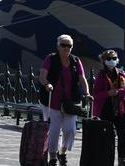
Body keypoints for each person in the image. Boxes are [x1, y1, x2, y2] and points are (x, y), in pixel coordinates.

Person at [38, 34, 92, 166]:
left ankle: (62, 152)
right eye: (63, 45)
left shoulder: (75, 61)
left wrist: (87, 93)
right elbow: (42, 76)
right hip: (52, 101)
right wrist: (47, 84)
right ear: (58, 46)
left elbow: (82, 78)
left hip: (70, 102)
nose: (66, 48)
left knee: (70, 130)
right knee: (54, 130)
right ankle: (52, 157)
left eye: (69, 45)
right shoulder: (50, 59)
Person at [92, 50, 125, 166]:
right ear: (104, 61)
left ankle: (122, 160)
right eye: (109, 58)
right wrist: (108, 94)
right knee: (108, 138)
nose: (112, 61)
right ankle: (108, 160)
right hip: (105, 110)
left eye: (114, 58)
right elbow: (96, 94)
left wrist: (118, 92)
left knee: (123, 136)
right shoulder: (101, 75)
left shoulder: (121, 73)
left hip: (120, 110)